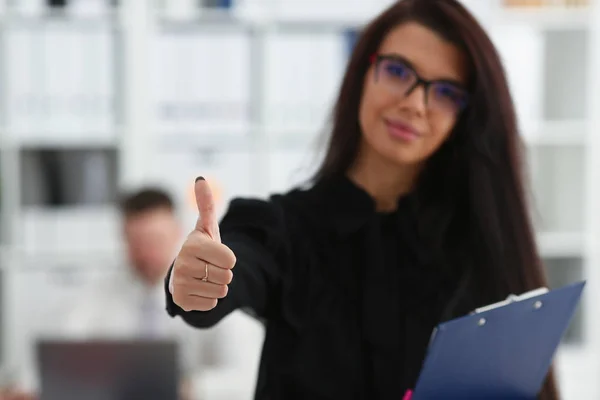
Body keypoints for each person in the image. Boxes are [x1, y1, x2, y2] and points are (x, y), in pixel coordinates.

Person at [164, 0, 560, 399]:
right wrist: (198, 278)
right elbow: (240, 262)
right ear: (362, 71)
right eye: (398, 71)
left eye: (445, 91)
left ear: (465, 115)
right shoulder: (286, 227)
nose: (414, 103)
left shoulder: (479, 245)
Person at [1, 188, 263, 400]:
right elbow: (49, 359)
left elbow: (248, 377)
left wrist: (184, 389)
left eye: (154, 241)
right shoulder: (97, 296)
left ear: (176, 232)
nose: (146, 253)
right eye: (136, 243)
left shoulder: (213, 290)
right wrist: (29, 388)